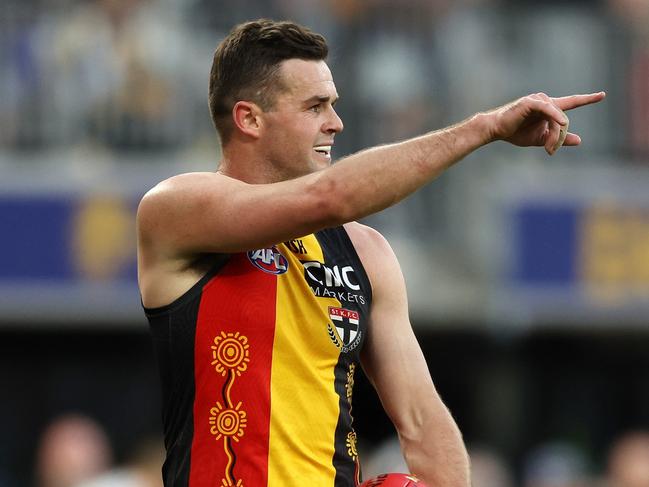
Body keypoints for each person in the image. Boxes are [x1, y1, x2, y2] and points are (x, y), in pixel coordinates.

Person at [136, 19, 605, 487]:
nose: (335, 122)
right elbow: (330, 198)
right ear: (249, 118)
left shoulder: (365, 252)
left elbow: (421, 419)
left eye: (333, 105)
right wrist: (484, 128)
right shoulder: (176, 211)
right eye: (315, 106)